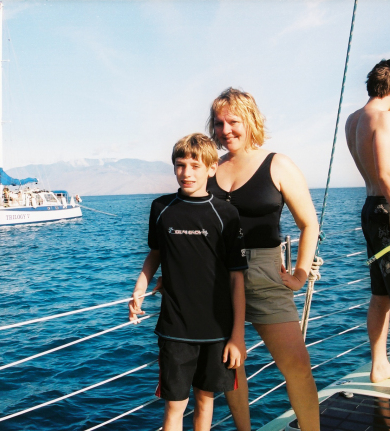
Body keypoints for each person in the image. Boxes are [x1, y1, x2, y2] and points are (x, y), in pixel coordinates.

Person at [206, 88, 320, 431]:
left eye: (233, 121)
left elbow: (308, 223)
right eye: (219, 122)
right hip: (217, 276)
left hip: (265, 274)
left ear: (251, 121)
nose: (226, 130)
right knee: (232, 366)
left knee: (296, 365)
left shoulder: (277, 164)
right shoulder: (210, 168)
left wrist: (300, 274)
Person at [129, 133, 248, 431]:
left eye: (195, 165)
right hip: (175, 328)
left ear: (211, 168)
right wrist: (140, 286)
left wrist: (237, 336)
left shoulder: (226, 214)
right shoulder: (161, 208)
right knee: (174, 407)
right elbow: (155, 254)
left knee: (205, 402)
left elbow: (236, 278)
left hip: (217, 330)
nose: (187, 172)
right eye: (180, 165)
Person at [345, 59, 390, 384]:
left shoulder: (354, 119)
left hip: (370, 209)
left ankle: (378, 365)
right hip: (387, 208)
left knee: (381, 294)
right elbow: (386, 173)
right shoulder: (383, 117)